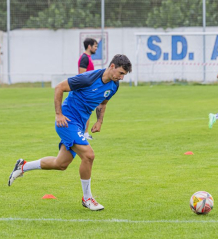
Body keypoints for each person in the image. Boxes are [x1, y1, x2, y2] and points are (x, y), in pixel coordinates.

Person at [8, 54, 132, 211]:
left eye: (124, 75)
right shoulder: (88, 78)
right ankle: (87, 198)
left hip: (79, 124)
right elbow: (60, 87)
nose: (121, 78)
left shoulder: (114, 85)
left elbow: (103, 102)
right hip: (67, 120)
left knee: (61, 164)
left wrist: (99, 121)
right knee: (89, 155)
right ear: (112, 66)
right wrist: (58, 114)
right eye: (121, 73)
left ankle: (23, 166)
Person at [78, 38, 98, 140]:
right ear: (89, 46)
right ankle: (83, 134)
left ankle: (84, 133)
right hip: (85, 90)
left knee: (88, 111)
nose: (96, 48)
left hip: (89, 89)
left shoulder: (88, 58)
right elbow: (81, 76)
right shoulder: (84, 58)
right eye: (95, 46)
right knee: (85, 111)